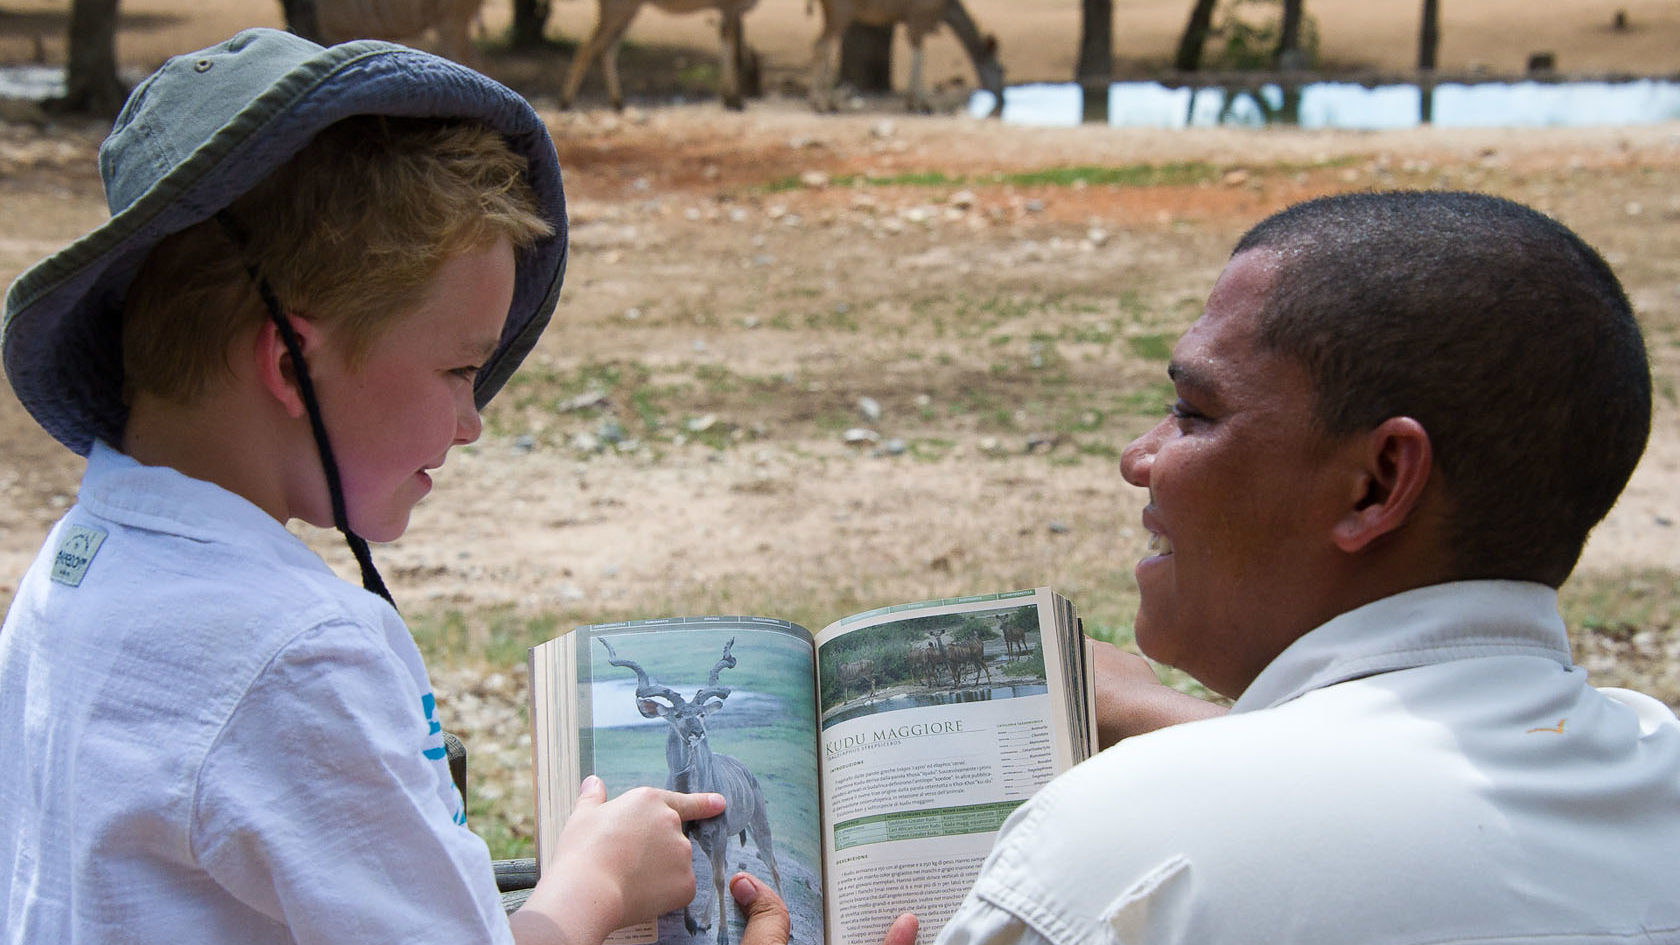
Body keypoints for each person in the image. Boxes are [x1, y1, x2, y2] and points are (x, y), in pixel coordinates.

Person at [0, 28, 790, 945]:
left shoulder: (75, 566)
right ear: (291, 365)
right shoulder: (297, 656)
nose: (472, 420)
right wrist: (593, 886)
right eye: (460, 369)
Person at [928, 191, 1680, 944]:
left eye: (1195, 411)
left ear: (1378, 482)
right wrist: (1158, 714)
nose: (1140, 457)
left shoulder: (1132, 855)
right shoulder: (1657, 771)